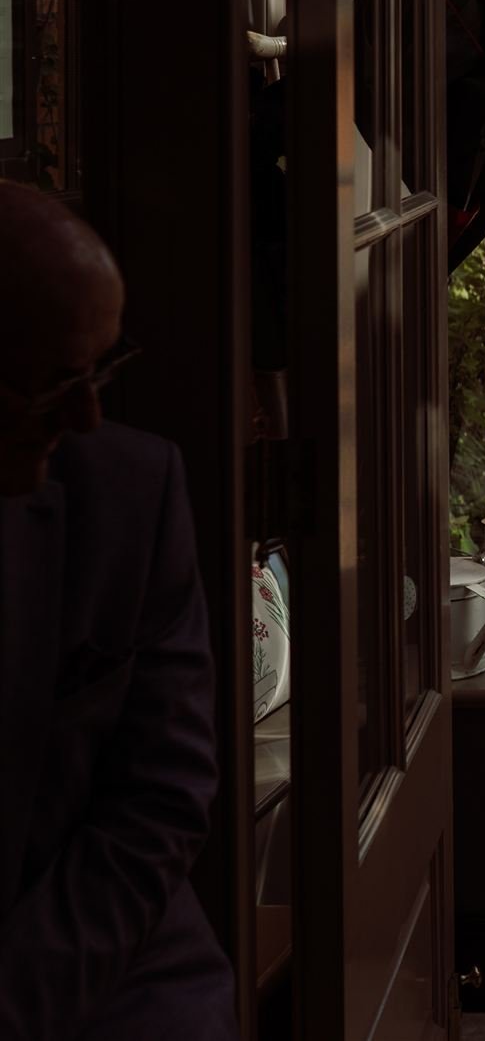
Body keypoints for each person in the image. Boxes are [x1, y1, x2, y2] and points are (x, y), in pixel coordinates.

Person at [0, 183, 236, 1040]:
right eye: (56, 383)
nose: (89, 414)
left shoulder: (132, 494)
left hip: (113, 976)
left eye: (102, 369)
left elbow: (160, 800)